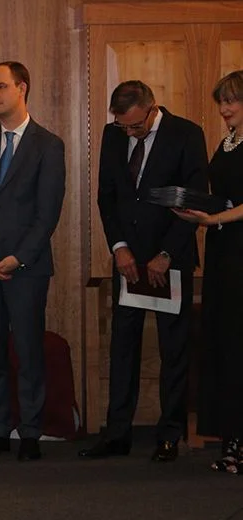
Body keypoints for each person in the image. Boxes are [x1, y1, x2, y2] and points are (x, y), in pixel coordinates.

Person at [80, 80, 208, 462]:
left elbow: (196, 199)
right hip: (128, 261)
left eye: (135, 126)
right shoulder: (113, 135)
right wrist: (119, 247)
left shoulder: (186, 134)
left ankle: (169, 436)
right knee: (123, 347)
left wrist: (167, 253)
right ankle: (117, 434)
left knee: (173, 350)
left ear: (152, 109)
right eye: (123, 126)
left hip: (170, 260)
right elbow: (107, 197)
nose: (130, 133)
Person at [0, 62, 65, 461]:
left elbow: (47, 212)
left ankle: (31, 431)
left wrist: (18, 257)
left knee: (28, 349)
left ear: (22, 88)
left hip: (27, 268)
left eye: (1, 87)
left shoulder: (47, 145)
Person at [172, 70, 243, 472]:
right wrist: (197, 208)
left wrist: (213, 219)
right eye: (222, 102)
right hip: (223, 249)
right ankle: (232, 441)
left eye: (232, 101)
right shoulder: (228, 141)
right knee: (224, 343)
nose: (224, 109)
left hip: (237, 246)